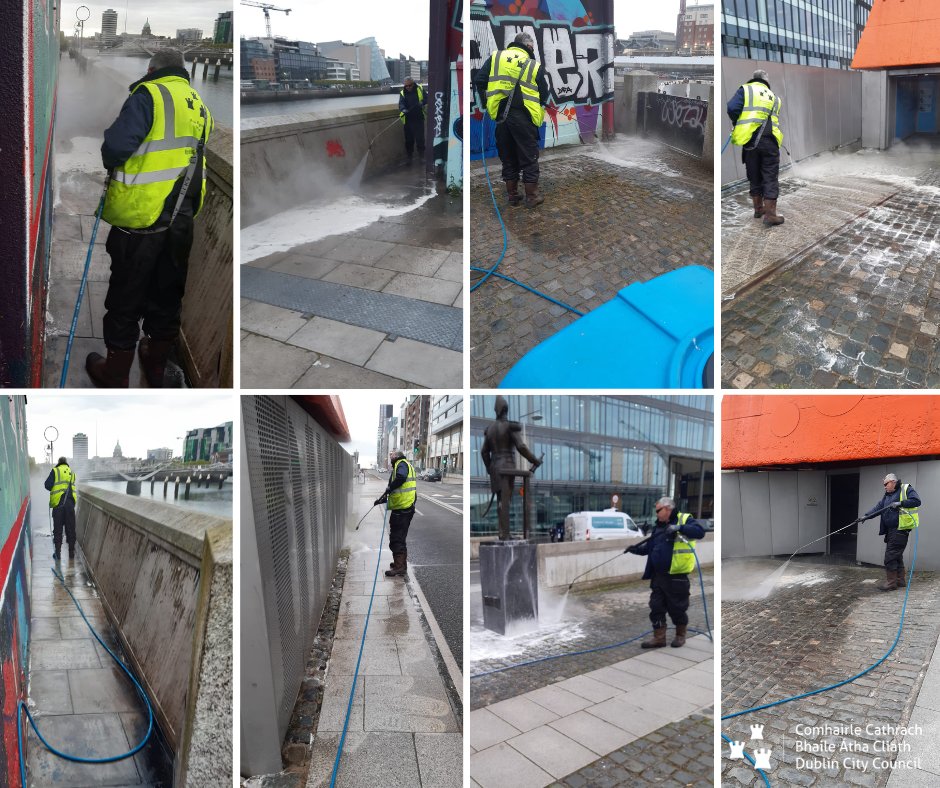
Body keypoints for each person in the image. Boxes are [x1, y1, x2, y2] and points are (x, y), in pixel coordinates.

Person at [86, 49, 213, 388]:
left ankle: (114, 374)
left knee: (125, 299)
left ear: (152, 68)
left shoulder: (149, 94)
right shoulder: (198, 103)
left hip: (142, 219)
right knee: (167, 295)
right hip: (181, 221)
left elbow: (114, 148)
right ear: (183, 70)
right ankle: (154, 365)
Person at [473, 33, 550, 208]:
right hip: (524, 118)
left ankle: (513, 196)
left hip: (501, 118)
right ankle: (532, 197)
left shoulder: (496, 57)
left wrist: (488, 103)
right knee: (529, 157)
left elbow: (479, 80)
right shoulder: (533, 65)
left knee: (508, 157)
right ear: (529, 47)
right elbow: (544, 93)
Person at [625, 496, 706, 648]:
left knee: (677, 608)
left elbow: (700, 532)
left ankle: (680, 635)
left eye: (658, 511)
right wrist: (634, 550)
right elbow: (649, 548)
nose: (656, 514)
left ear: (668, 509)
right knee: (656, 607)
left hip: (676, 576)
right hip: (658, 576)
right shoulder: (659, 527)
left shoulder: (684, 519)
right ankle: (659, 638)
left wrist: (679, 528)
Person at [727, 69, 785, 227]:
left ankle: (758, 209)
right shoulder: (774, 98)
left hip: (750, 141)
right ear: (767, 81)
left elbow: (732, 108)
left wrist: (737, 123)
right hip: (770, 142)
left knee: (754, 174)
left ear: (754, 79)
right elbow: (774, 120)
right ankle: (771, 214)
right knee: (770, 176)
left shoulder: (745, 89)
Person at [480, 396, 541, 540]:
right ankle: (505, 534)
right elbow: (521, 446)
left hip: (495, 468)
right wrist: (534, 460)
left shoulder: (489, 429)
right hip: (507, 467)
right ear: (506, 409)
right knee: (505, 501)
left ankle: (503, 533)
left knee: (501, 501)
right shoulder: (510, 426)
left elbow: (484, 452)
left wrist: (489, 468)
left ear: (497, 410)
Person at [860, 473, 921, 591]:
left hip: (901, 529)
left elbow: (916, 501)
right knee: (896, 556)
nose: (884, 487)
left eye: (886, 484)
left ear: (893, 482)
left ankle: (891, 583)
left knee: (890, 556)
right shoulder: (888, 495)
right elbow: (878, 508)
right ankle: (900, 580)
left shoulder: (906, 488)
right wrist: (865, 516)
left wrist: (900, 503)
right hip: (891, 530)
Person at [375, 449, 417, 577]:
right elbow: (396, 490)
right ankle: (401, 564)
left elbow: (401, 478)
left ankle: (399, 567)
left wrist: (390, 487)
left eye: (392, 454)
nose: (390, 456)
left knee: (396, 538)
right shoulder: (402, 465)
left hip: (402, 509)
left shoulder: (401, 464)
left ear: (397, 456)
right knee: (400, 538)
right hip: (404, 507)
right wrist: (381, 500)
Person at [44, 457, 77, 561]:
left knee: (58, 530)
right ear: (66, 463)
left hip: (58, 505)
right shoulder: (71, 473)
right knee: (70, 529)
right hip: (70, 505)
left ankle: (58, 553)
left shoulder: (55, 471)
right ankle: (71, 553)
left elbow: (47, 485)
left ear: (58, 463)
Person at [398, 77, 427, 164]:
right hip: (408, 120)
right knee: (409, 140)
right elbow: (401, 104)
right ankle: (409, 157)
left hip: (418, 118)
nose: (408, 87)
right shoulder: (402, 93)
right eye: (406, 86)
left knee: (420, 139)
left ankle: (421, 156)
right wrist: (403, 109)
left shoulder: (420, 89)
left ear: (413, 84)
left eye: (410, 85)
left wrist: (422, 102)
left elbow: (427, 98)